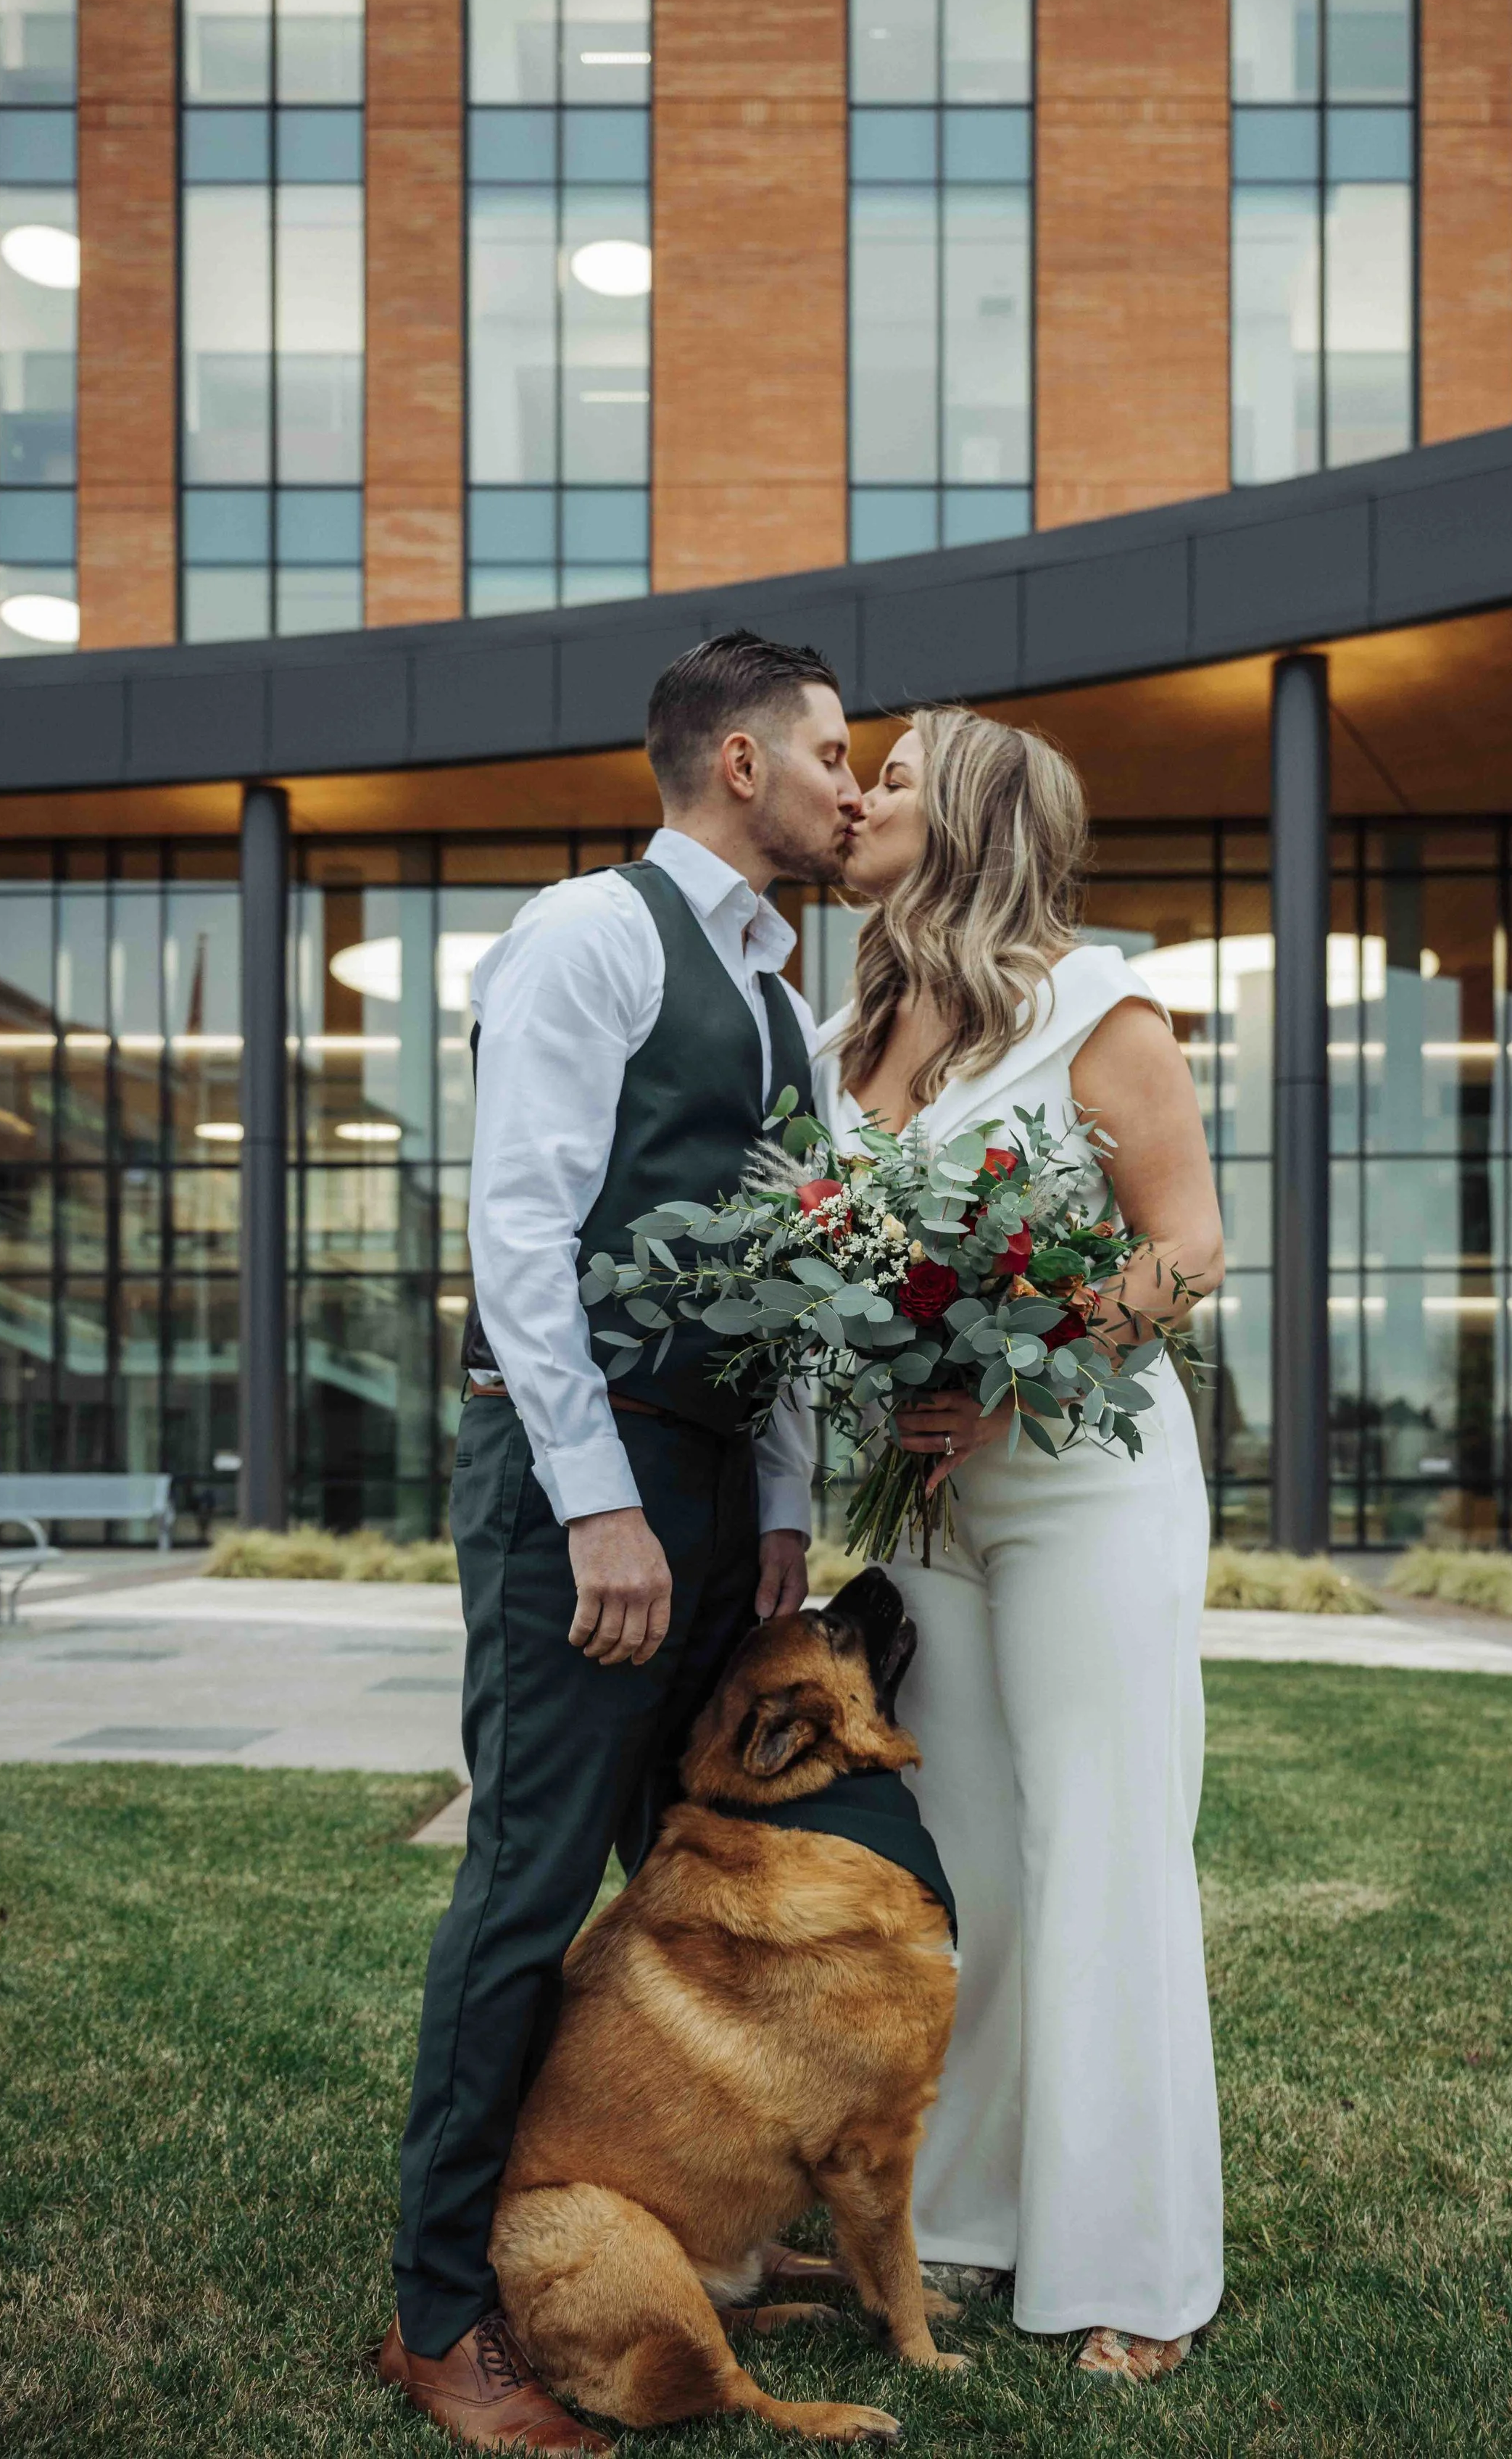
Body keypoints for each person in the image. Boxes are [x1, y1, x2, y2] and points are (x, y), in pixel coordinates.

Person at [383, 631, 861, 2452]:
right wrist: (595, 1500)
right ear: (736, 762)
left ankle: (636, 2208)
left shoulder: (776, 998)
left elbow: (799, 1269)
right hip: (582, 1479)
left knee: (676, 1886)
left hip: (720, 1491)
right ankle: (442, 2310)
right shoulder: (587, 933)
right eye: (830, 752)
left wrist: (787, 1509)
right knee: (526, 1890)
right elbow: (519, 1227)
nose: (848, 782)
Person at [815, 705, 1226, 2384]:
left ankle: (1133, 2268)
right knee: (969, 1867)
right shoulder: (846, 1026)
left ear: (973, 820)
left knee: (1101, 1850)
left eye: (894, 783)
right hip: (921, 1505)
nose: (855, 800)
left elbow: (1189, 1247)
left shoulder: (1091, 1004)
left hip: (1081, 1488)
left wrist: (1019, 1374)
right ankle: (972, 2222)